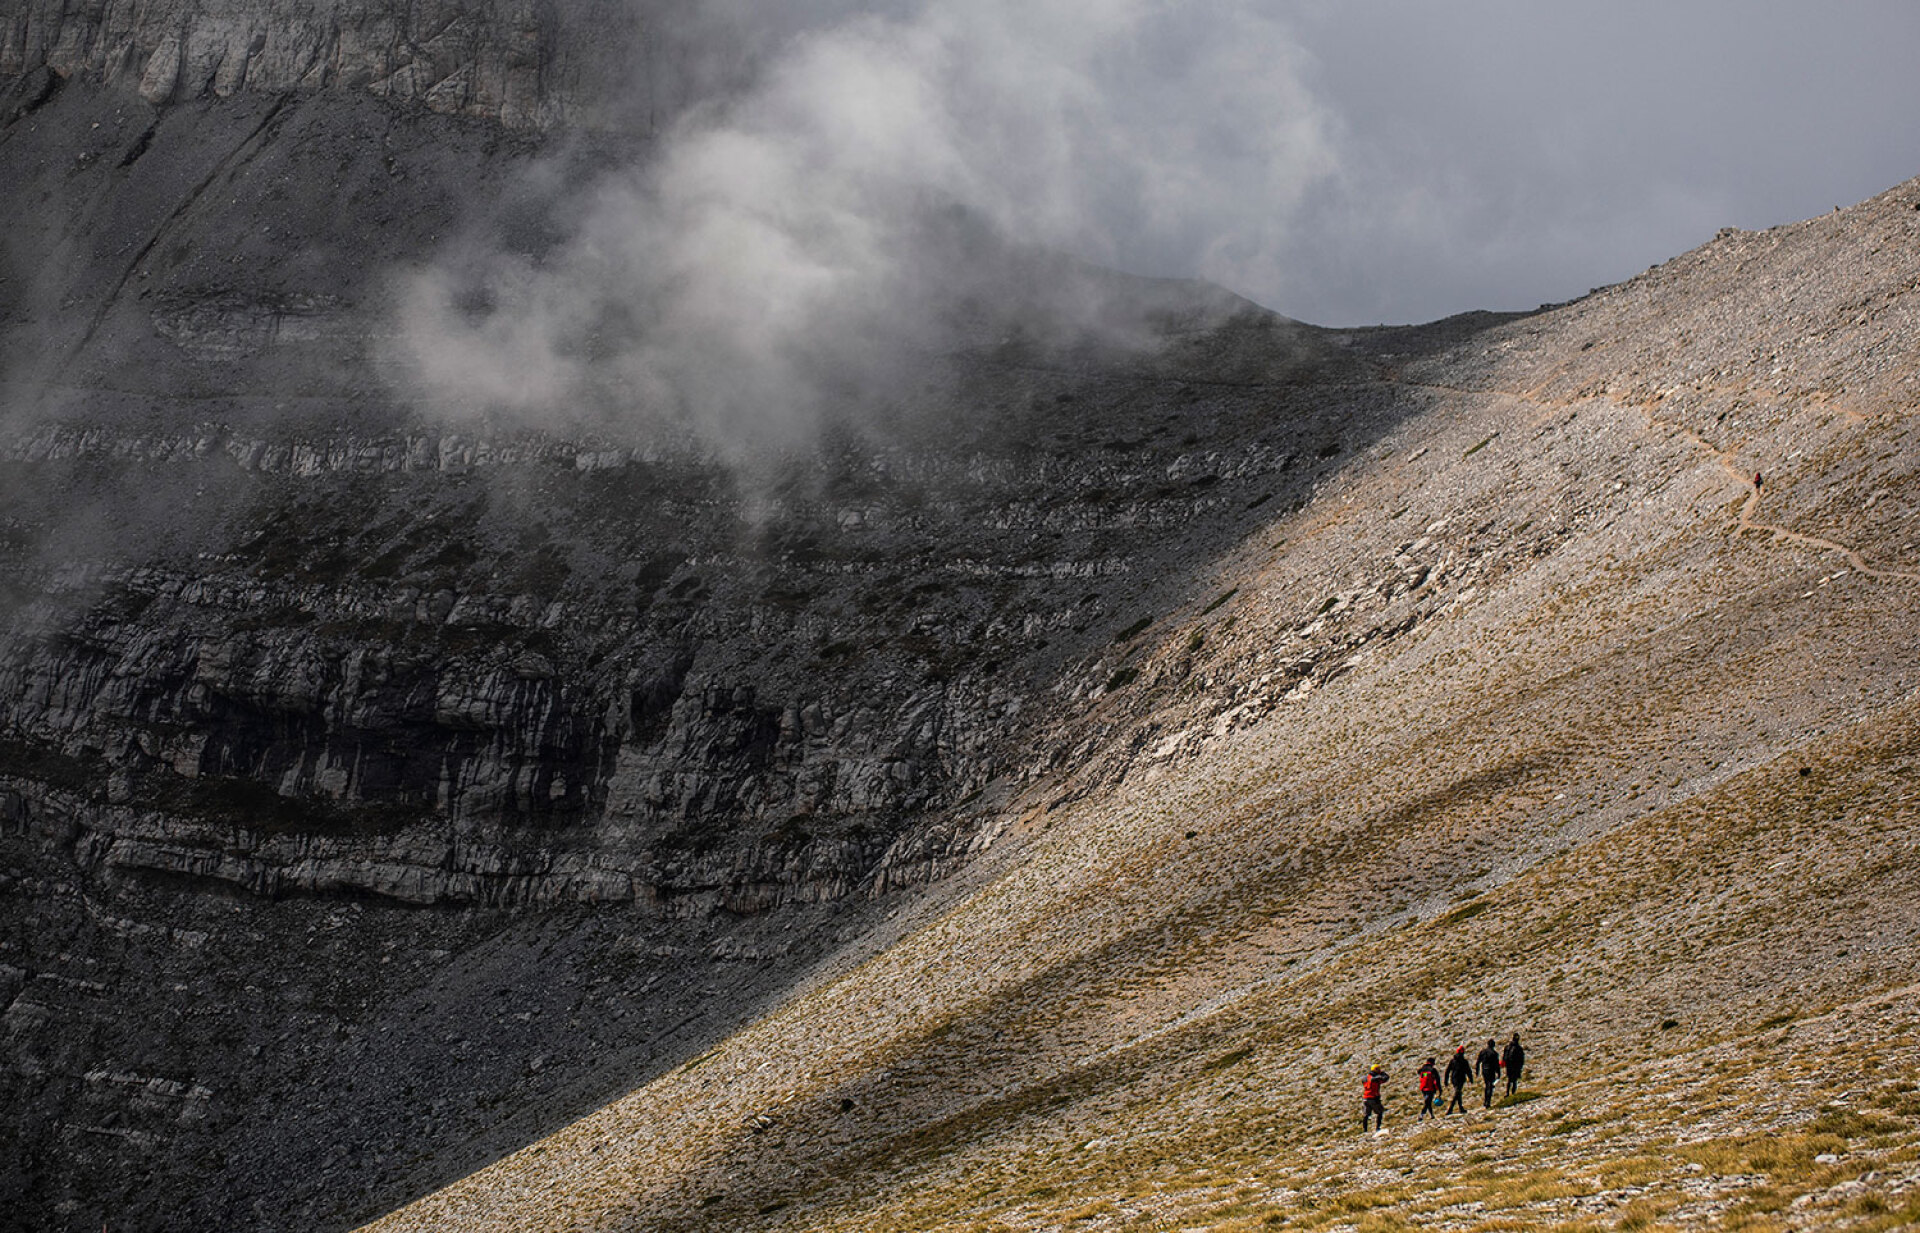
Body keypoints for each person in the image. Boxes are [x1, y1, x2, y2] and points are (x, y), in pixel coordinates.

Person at [1444, 1046, 1472, 1113]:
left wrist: (1446, 1080)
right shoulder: (1464, 1061)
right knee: (1457, 1093)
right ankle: (1450, 1109)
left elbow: (1447, 1071)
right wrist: (1471, 1078)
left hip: (1454, 1079)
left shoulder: (1453, 1061)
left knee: (1458, 1093)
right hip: (1461, 1079)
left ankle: (1460, 1108)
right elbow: (1468, 1071)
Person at [1361, 1064, 1389, 1132]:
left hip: (1365, 1097)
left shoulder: (1365, 1078)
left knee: (1366, 1114)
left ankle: (1365, 1130)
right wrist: (1382, 1073)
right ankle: (1377, 1128)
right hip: (1373, 1098)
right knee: (1380, 1112)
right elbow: (1386, 1078)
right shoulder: (1375, 1079)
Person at [1476, 1039, 1501, 1108]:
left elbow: (1478, 1062)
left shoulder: (1483, 1052)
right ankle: (1488, 1102)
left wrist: (1477, 1071)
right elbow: (1497, 1064)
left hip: (1484, 1070)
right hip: (1491, 1071)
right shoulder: (1494, 1053)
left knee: (1487, 1085)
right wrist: (1498, 1073)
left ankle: (1485, 1101)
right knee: (1490, 1086)